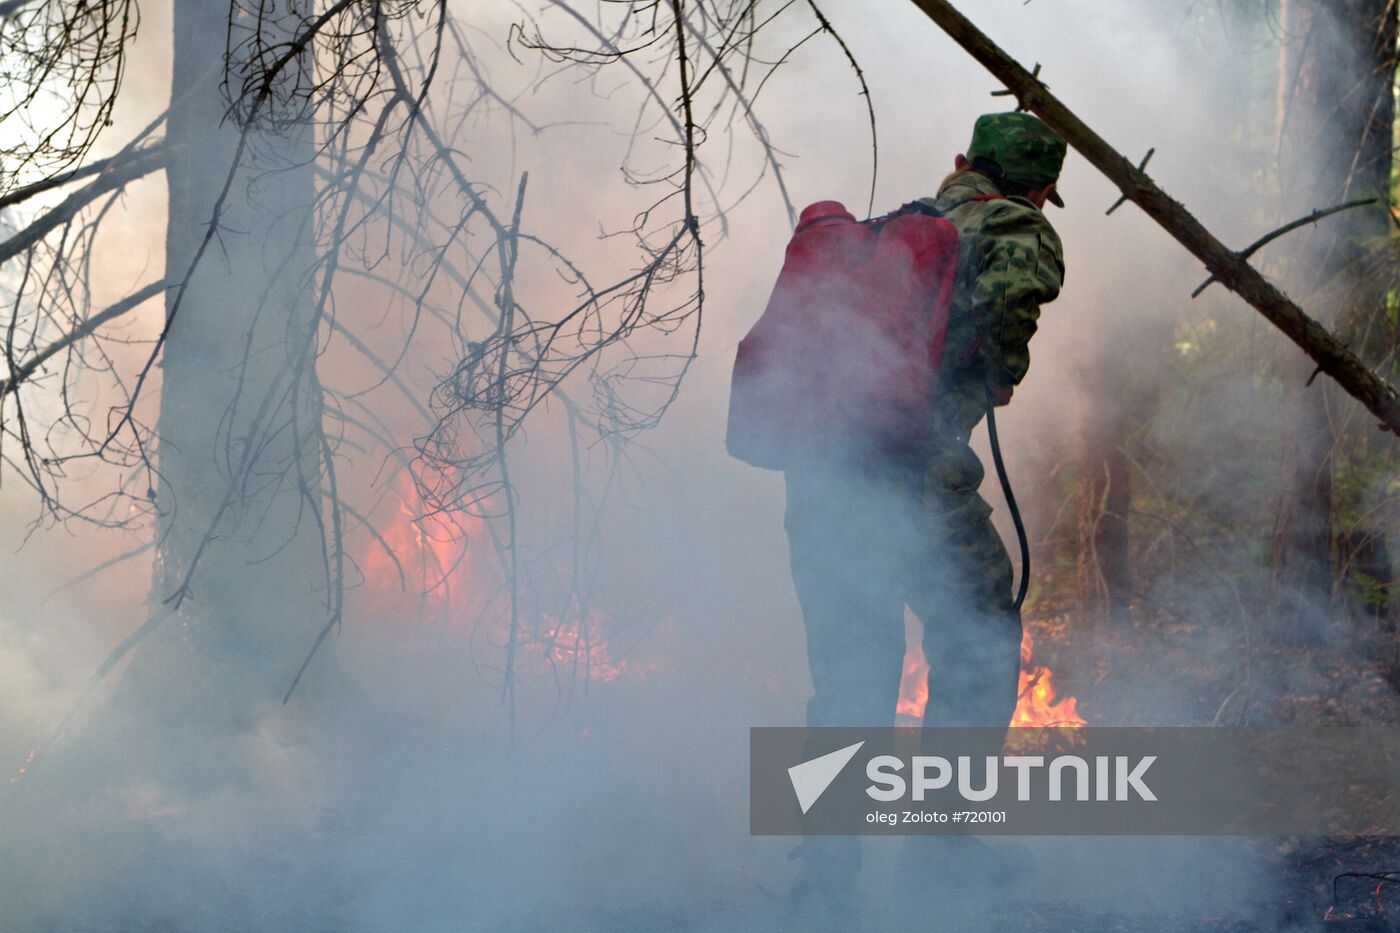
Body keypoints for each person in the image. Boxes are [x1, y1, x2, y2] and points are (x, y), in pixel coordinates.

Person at [783, 111, 1067, 924]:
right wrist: (1000, 364)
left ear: (960, 162)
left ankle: (825, 881)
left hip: (821, 474)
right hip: (911, 475)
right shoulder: (1013, 221)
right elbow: (1015, 289)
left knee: (848, 674)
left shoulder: (900, 226)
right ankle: (941, 861)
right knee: (978, 640)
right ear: (1043, 189)